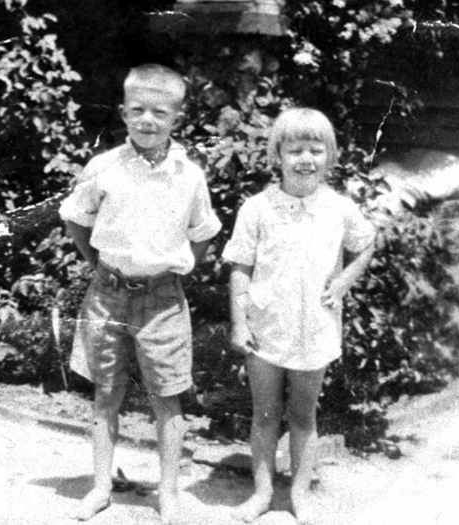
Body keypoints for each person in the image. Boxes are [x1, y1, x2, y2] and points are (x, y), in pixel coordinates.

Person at [59, 63, 221, 524]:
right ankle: (100, 487)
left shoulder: (188, 175)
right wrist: (97, 266)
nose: (148, 120)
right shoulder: (103, 167)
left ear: (177, 118)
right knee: (105, 394)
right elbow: (76, 217)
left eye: (160, 112)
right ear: (123, 113)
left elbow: (203, 231)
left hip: (163, 301)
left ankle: (167, 493)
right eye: (138, 110)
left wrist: (176, 273)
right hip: (106, 296)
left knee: (167, 397)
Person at [222, 107, 376, 524]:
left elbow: (366, 243)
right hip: (265, 328)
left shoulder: (340, 208)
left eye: (315, 149)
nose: (305, 159)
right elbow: (239, 266)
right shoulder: (257, 208)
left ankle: (299, 496)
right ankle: (262, 494)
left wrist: (344, 281)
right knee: (265, 414)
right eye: (295, 150)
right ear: (277, 155)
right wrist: (239, 322)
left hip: (316, 329)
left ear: (330, 156)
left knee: (304, 416)